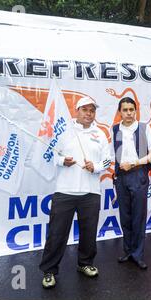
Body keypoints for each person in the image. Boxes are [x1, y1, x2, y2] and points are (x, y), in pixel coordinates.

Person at [39, 96, 111, 289]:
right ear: (77, 111)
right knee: (57, 234)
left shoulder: (100, 134)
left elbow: (108, 160)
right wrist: (63, 161)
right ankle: (49, 271)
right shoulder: (63, 131)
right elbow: (49, 153)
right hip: (65, 191)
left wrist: (95, 166)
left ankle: (85, 264)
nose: (89, 114)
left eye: (92, 110)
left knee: (89, 233)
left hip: (91, 192)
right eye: (85, 110)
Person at [112, 97, 151, 270]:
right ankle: (128, 251)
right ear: (120, 112)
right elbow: (112, 155)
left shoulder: (144, 128)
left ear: (135, 111)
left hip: (138, 174)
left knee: (138, 217)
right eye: (125, 110)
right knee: (125, 216)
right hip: (121, 176)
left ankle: (138, 254)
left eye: (132, 109)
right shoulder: (115, 129)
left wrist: (135, 163)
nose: (129, 113)